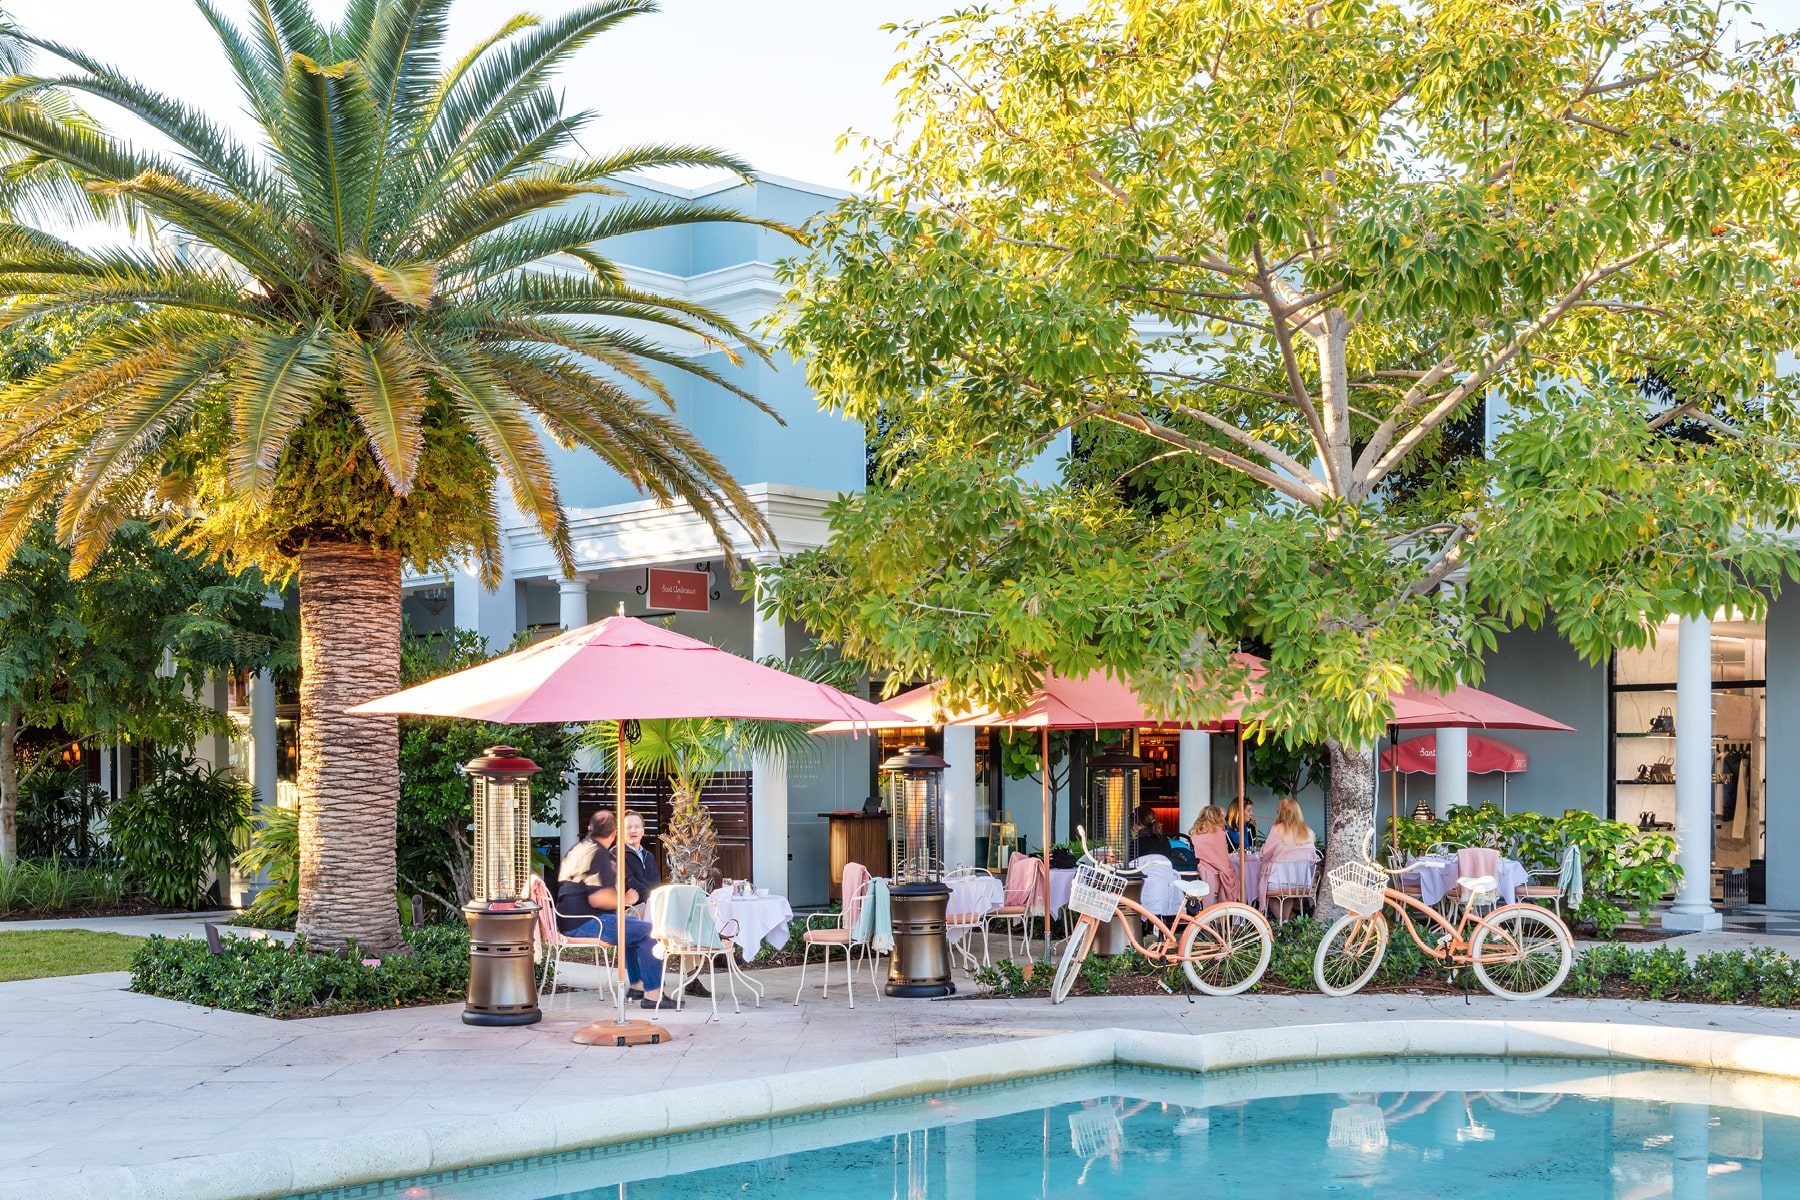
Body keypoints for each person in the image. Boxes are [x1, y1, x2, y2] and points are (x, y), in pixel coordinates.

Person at [555, 811, 673, 1010]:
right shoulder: (599, 854)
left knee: (635, 930)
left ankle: (638, 985)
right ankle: (653, 995)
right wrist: (625, 899)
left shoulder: (580, 849)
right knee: (650, 931)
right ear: (615, 833)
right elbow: (598, 898)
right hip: (588, 922)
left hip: (572, 920)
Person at [1257, 797, 1320, 919]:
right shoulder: (1307, 831)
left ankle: (1281, 922)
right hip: (1301, 881)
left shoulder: (1278, 829)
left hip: (1279, 880)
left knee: (1270, 894)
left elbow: (1265, 853)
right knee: (1289, 895)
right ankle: (1284, 921)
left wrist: (1263, 848)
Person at [1187, 806, 1241, 904]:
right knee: (1237, 879)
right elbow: (1221, 859)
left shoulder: (1195, 832)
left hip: (1198, 876)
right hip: (1216, 876)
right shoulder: (1219, 832)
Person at [623, 811, 661, 899]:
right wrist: (651, 897)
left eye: (637, 827)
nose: (633, 830)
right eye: (628, 827)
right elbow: (629, 882)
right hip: (631, 907)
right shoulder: (617, 854)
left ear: (643, 831)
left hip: (652, 902)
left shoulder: (649, 856)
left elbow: (656, 883)